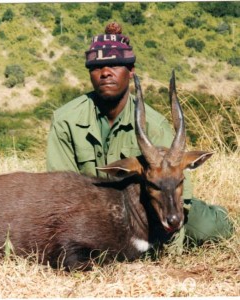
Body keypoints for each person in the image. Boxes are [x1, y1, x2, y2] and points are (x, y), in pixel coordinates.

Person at [46, 22, 233, 250]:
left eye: (116, 65)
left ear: (131, 70)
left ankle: (223, 215)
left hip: (149, 207)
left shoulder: (154, 125)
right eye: (97, 67)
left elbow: (175, 190)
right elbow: (61, 189)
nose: (106, 73)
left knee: (211, 228)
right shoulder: (66, 119)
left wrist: (170, 245)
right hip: (93, 208)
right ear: (90, 73)